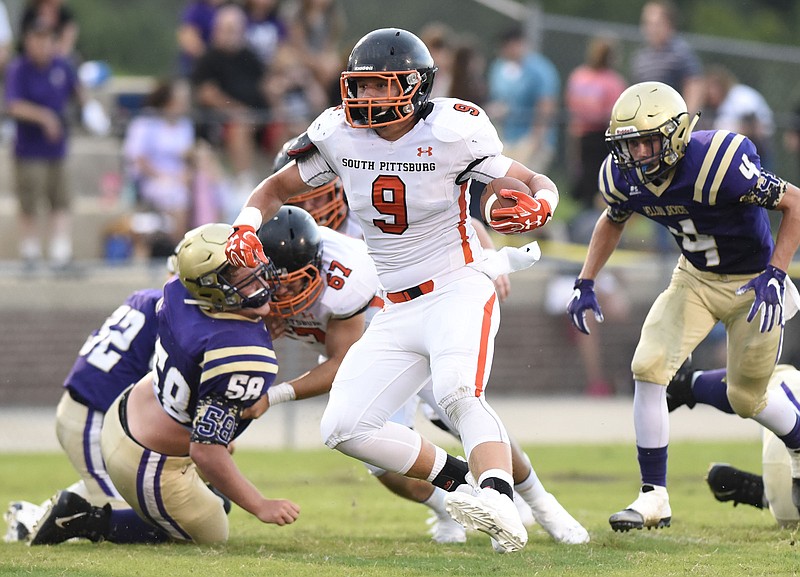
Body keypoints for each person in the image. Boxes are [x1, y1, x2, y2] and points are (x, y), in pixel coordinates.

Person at [225, 27, 558, 553]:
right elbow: (273, 189)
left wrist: (543, 203)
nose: (365, 98)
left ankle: (497, 495)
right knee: (344, 425)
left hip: (458, 285)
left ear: (414, 86)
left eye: (381, 86)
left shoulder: (454, 129)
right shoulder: (339, 133)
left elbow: (531, 179)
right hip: (397, 305)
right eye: (359, 86)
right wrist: (245, 225)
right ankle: (461, 484)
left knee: (457, 393)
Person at [249, 205, 588, 545]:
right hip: (378, 355)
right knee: (378, 458)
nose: (282, 294)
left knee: (464, 411)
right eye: (273, 284)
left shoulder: (347, 271)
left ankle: (542, 503)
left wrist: (274, 395)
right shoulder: (260, 267)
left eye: (291, 284)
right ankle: (457, 506)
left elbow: (340, 360)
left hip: (408, 334)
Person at [566, 80, 800, 533]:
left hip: (752, 283)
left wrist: (776, 271)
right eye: (628, 145)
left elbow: (795, 202)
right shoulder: (622, 176)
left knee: (747, 397)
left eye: (646, 142)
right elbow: (612, 218)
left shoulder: (721, 163)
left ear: (674, 135)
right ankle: (653, 496)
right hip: (693, 278)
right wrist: (586, 278)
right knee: (648, 365)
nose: (637, 156)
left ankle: (797, 442)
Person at [43, 222, 295, 545]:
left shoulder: (175, 294)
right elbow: (205, 448)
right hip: (147, 453)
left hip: (125, 413)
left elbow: (195, 364)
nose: (259, 277)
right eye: (243, 275)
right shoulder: (243, 354)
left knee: (214, 496)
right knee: (212, 530)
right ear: (212, 287)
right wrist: (260, 504)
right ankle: (90, 521)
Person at [4, 20, 107, 272]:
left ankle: (60, 252)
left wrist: (90, 111)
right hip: (29, 148)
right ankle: (30, 251)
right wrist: (44, 117)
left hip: (57, 149)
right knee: (30, 201)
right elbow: (13, 105)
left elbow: (78, 91)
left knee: (60, 200)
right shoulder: (19, 69)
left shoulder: (62, 66)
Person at [667, 363, 800, 527]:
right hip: (785, 514)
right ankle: (765, 495)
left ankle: (688, 384)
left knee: (774, 380)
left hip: (788, 472)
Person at [190, 3, 271, 202]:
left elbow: (265, 85)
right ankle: (244, 183)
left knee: (289, 125)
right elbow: (206, 94)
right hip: (221, 122)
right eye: (225, 29)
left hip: (260, 118)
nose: (229, 35)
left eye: (233, 30)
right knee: (240, 124)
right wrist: (237, 110)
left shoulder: (250, 57)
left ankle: (280, 176)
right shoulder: (208, 59)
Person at [122, 78, 196, 257]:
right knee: (175, 194)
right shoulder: (145, 122)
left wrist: (186, 173)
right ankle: (177, 251)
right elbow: (138, 158)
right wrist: (166, 176)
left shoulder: (186, 125)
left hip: (178, 178)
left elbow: (188, 156)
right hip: (151, 179)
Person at [564, 35, 627, 214]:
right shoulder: (612, 81)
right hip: (598, 137)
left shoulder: (579, 76)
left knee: (588, 179)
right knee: (595, 181)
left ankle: (589, 214)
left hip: (586, 135)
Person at [485, 24, 560, 175]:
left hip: (530, 138)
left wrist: (536, 140)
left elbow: (546, 105)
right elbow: (498, 98)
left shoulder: (540, 69)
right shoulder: (499, 67)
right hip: (506, 137)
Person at [632, 0, 704, 114]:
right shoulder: (641, 57)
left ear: (668, 25)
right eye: (647, 24)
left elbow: (693, 85)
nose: (651, 29)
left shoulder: (681, 52)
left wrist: (686, 117)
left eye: (656, 24)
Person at [703, 64, 774, 168]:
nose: (709, 92)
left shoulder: (740, 97)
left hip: (757, 150)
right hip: (735, 153)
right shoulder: (719, 105)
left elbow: (755, 126)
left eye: (713, 87)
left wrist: (733, 131)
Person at [175, 0, 224, 77]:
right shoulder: (196, 10)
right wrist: (210, 60)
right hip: (195, 66)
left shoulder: (225, 10)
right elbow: (188, 40)